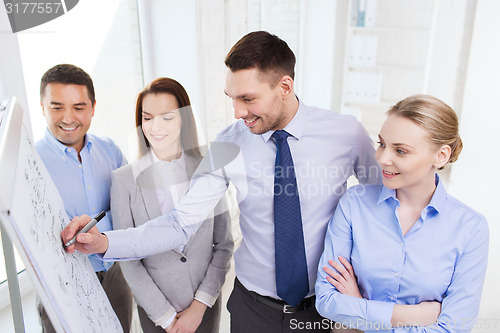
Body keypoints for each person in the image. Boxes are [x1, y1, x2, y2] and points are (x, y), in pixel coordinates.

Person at [62, 31, 381, 332]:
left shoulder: (346, 134)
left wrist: (365, 292)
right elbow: (179, 223)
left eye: (247, 98)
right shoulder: (228, 144)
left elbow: (381, 210)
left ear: (284, 86)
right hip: (252, 310)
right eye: (231, 98)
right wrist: (105, 243)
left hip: (325, 308)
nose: (237, 112)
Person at [315, 94, 489, 332]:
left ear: (441, 156)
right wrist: (413, 315)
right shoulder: (354, 204)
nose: (383, 158)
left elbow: (453, 329)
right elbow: (326, 301)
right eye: (382, 144)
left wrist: (358, 308)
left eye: (401, 151)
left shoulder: (471, 228)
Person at [111, 77, 233, 333]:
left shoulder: (209, 169)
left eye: (167, 117)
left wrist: (200, 305)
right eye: (147, 117)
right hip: (156, 315)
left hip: (204, 310)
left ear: (183, 119)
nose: (155, 127)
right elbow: (128, 259)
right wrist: (166, 318)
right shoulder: (123, 181)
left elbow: (223, 244)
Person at [36, 64, 133, 332]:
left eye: (78, 107)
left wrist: (98, 228)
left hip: (114, 276)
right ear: (42, 107)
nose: (68, 118)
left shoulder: (110, 150)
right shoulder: (29, 164)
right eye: (57, 107)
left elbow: (131, 208)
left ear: (92, 108)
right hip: (61, 285)